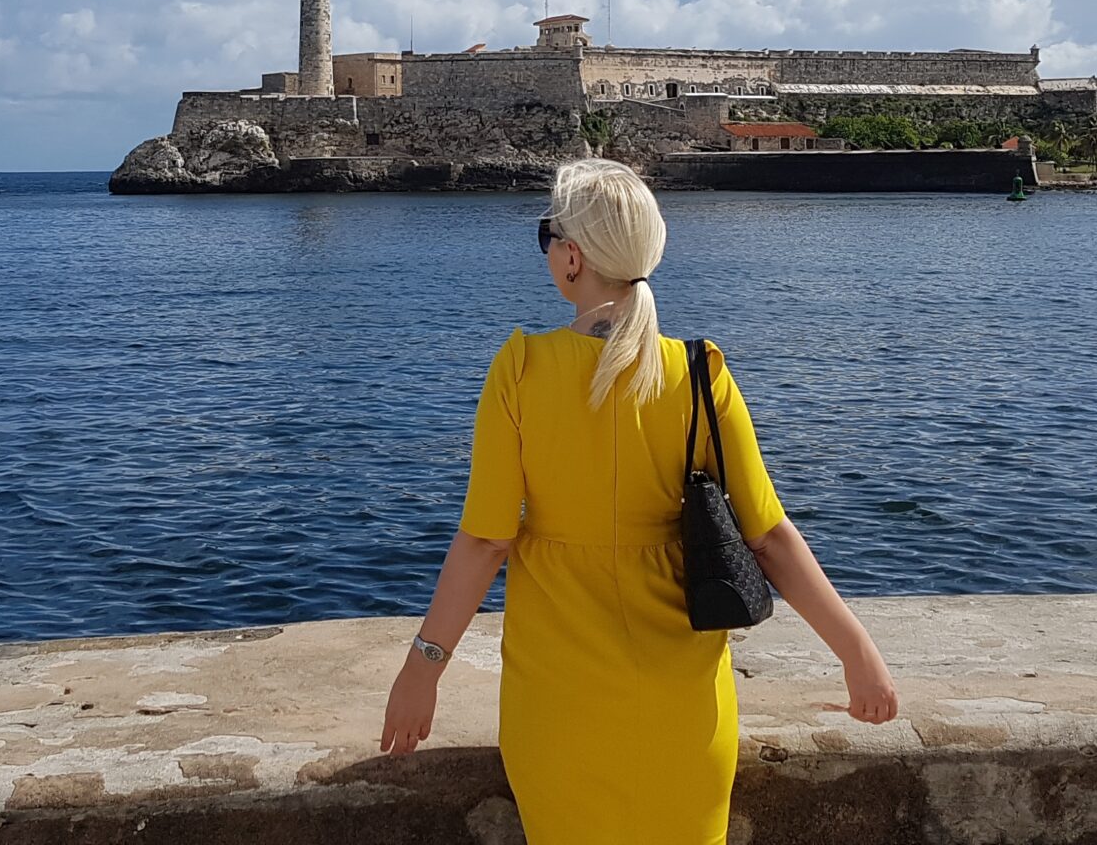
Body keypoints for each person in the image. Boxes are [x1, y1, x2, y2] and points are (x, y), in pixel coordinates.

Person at [380, 157, 899, 843]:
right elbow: (769, 537)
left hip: (558, 705)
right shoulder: (700, 372)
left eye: (546, 237)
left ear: (572, 258)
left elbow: (486, 541)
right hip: (684, 710)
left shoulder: (521, 370)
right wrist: (856, 652)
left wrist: (422, 669)